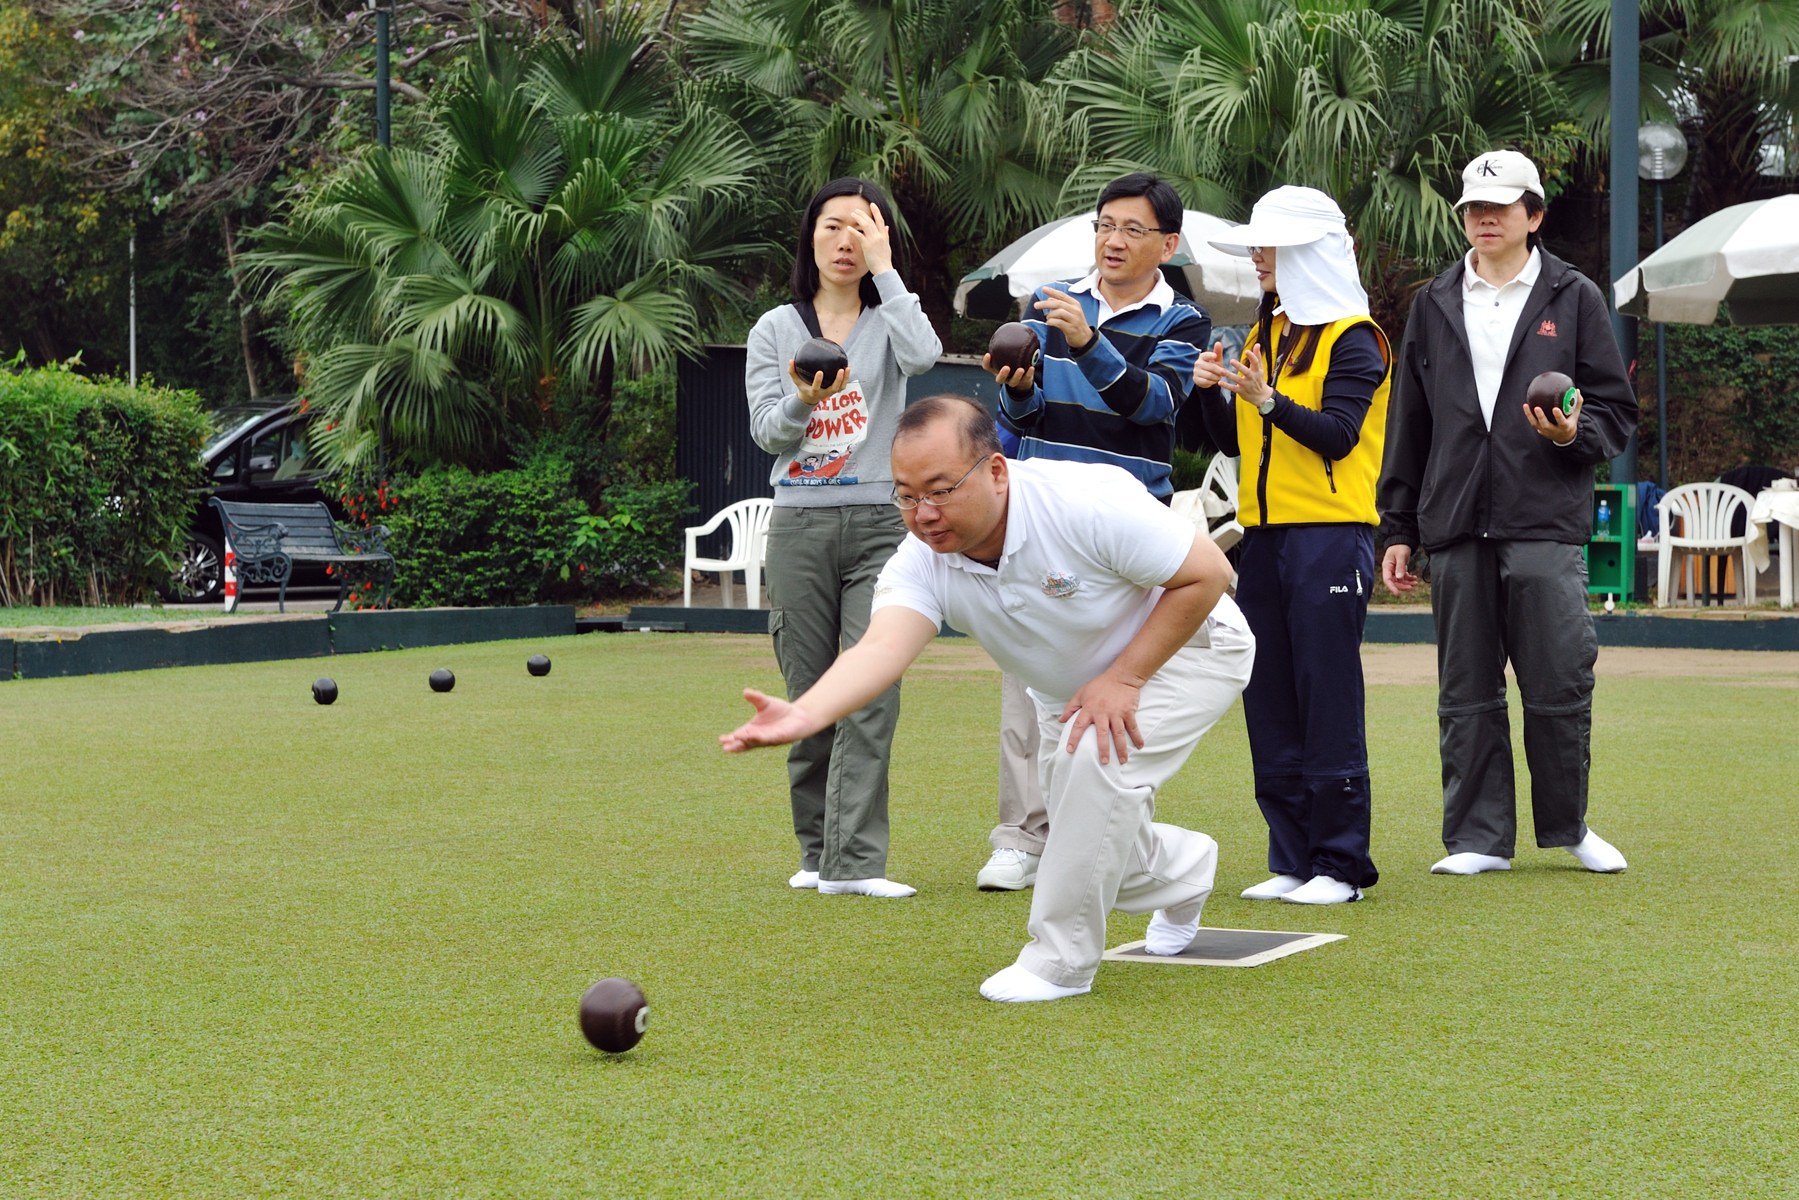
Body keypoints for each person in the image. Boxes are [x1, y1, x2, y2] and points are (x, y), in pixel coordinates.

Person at [722, 396, 1255, 1002]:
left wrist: (1126, 678)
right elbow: (879, 650)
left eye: (940, 489)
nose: (923, 513)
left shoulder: (1083, 503)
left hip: (1187, 650)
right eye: (905, 495)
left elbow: (1207, 573)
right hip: (1069, 693)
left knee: (1092, 772)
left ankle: (1058, 963)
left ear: (997, 471)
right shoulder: (921, 561)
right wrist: (807, 712)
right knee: (1098, 844)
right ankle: (1187, 871)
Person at [1377, 150, 1636, 876]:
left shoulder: (1573, 296)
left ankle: (1568, 827)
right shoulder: (1432, 302)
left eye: (1500, 205)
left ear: (1534, 215)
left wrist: (1570, 435)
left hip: (1543, 517)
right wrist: (1397, 528)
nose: (1483, 218)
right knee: (1465, 688)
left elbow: (1614, 411)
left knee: (1558, 678)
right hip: (1454, 520)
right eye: (1472, 207)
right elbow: (1410, 423)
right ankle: (1475, 840)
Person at [973, 172, 1213, 893]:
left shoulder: (1184, 322)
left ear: (1166, 244)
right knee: (1029, 682)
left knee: (1117, 686)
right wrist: (1015, 388)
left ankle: (1111, 837)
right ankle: (1021, 837)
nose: (1113, 239)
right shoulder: (1049, 305)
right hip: (1040, 514)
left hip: (1127, 528)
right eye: (1105, 224)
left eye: (1132, 229)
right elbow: (1022, 421)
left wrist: (1088, 346)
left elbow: (1156, 405)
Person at [1189, 185, 1390, 906]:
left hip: (1331, 538)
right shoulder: (1264, 333)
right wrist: (1212, 392)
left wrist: (1266, 399)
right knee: (1267, 690)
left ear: (1308, 252)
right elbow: (1227, 443)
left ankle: (1340, 865)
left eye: (1267, 246)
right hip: (1263, 539)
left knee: (1325, 692)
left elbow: (1337, 433)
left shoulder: (1355, 336)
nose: (1256, 257)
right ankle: (1292, 855)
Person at [744, 177, 942, 898]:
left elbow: (923, 358)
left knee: (869, 693)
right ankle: (815, 853)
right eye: (833, 226)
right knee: (806, 693)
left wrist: (890, 276)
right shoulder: (775, 328)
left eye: (864, 228)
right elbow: (767, 431)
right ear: (810, 237)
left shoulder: (889, 318)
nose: (846, 241)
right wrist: (804, 396)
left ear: (880, 241)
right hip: (799, 521)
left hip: (879, 525)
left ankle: (855, 864)